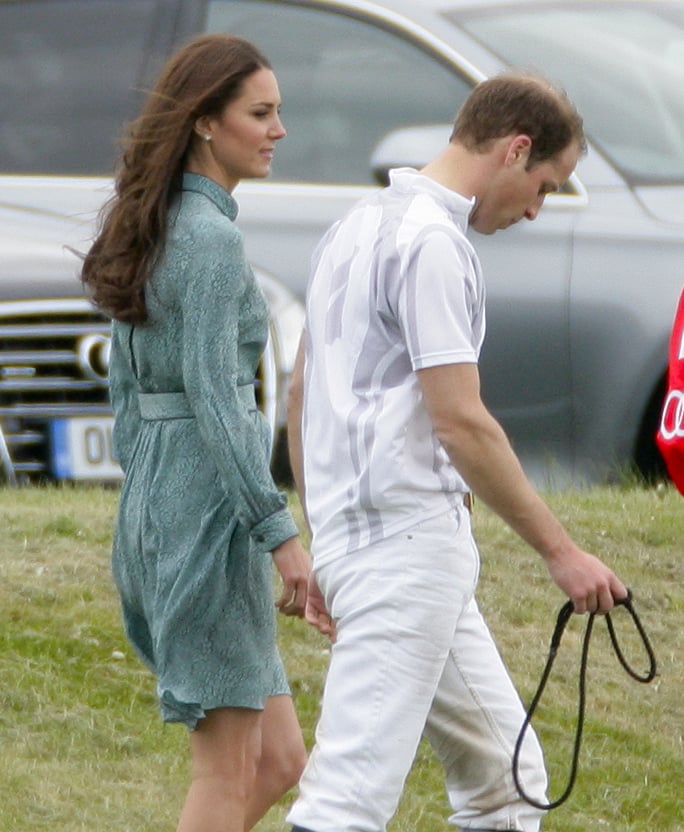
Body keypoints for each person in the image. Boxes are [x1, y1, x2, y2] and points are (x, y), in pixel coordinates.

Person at [286, 73, 628, 832]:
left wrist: (323, 543)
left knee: (508, 782)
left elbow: (302, 395)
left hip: (360, 542)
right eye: (546, 185)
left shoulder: (352, 227)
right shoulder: (435, 243)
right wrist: (560, 551)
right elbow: (461, 422)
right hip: (406, 550)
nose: (537, 209)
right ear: (516, 150)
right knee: (344, 802)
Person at [81, 34, 315, 832]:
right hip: (209, 527)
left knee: (282, 761)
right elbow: (220, 401)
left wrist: (150, 506)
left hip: (166, 513)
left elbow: (127, 391)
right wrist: (281, 535)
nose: (278, 129)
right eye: (262, 112)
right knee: (224, 772)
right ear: (207, 123)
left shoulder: (154, 220)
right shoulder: (209, 240)